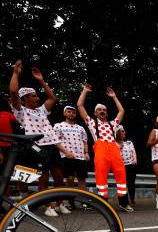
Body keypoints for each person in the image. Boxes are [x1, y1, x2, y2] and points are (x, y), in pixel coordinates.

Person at [9, 60, 74, 216]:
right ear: (25, 98)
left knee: (58, 176)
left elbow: (52, 99)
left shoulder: (41, 110)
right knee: (43, 177)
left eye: (37, 95)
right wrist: (16, 73)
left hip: (52, 146)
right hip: (36, 145)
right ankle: (48, 206)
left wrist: (42, 81)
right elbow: (13, 92)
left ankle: (59, 203)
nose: (37, 98)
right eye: (34, 96)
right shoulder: (21, 110)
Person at [77, 84, 130, 211]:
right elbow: (80, 106)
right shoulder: (92, 122)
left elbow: (122, 111)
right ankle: (103, 203)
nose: (102, 111)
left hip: (114, 150)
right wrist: (84, 91)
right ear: (95, 113)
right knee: (101, 176)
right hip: (101, 149)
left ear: (106, 113)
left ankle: (123, 203)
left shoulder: (113, 124)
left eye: (104, 110)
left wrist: (114, 97)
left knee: (121, 175)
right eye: (99, 110)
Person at [53, 106, 89, 193]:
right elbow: (54, 141)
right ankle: (70, 199)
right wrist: (66, 152)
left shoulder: (80, 128)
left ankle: (83, 201)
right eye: (69, 112)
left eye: (73, 112)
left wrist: (86, 153)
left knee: (82, 178)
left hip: (80, 156)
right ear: (64, 113)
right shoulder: (59, 126)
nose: (71, 114)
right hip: (67, 156)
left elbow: (85, 142)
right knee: (70, 178)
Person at [115, 126, 136, 211]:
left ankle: (132, 199)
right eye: (122, 131)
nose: (124, 133)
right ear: (118, 133)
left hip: (130, 164)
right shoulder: (114, 143)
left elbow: (133, 151)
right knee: (122, 185)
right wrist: (120, 146)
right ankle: (124, 203)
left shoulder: (129, 142)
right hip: (121, 166)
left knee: (131, 183)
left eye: (124, 131)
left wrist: (135, 159)